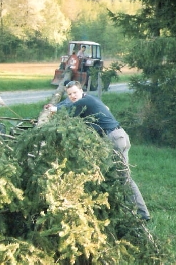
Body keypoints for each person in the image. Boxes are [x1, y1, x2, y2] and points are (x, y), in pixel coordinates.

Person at [44, 80, 151, 220]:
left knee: (124, 178)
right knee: (112, 174)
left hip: (113, 138)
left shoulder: (85, 102)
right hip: (118, 136)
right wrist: (55, 105)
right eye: (70, 94)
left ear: (81, 91)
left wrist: (53, 109)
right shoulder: (87, 99)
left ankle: (142, 215)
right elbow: (66, 103)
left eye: (75, 92)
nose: (72, 96)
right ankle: (121, 209)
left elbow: (66, 109)